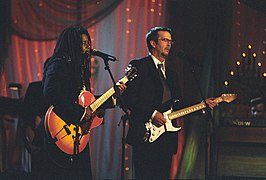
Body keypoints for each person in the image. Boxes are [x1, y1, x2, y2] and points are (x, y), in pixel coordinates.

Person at [121, 26, 218, 180]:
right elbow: (127, 97)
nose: (169, 44)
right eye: (165, 40)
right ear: (153, 43)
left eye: (171, 41)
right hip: (145, 135)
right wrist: (152, 114)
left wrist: (201, 105)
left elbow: (177, 105)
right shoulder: (139, 66)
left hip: (166, 139)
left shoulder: (172, 74)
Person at [36, 26, 126, 179]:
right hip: (60, 133)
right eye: (83, 43)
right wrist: (81, 113)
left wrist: (112, 98)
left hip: (77, 135)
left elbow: (86, 102)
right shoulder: (58, 64)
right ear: (72, 44)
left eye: (87, 43)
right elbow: (51, 93)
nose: (88, 48)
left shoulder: (79, 68)